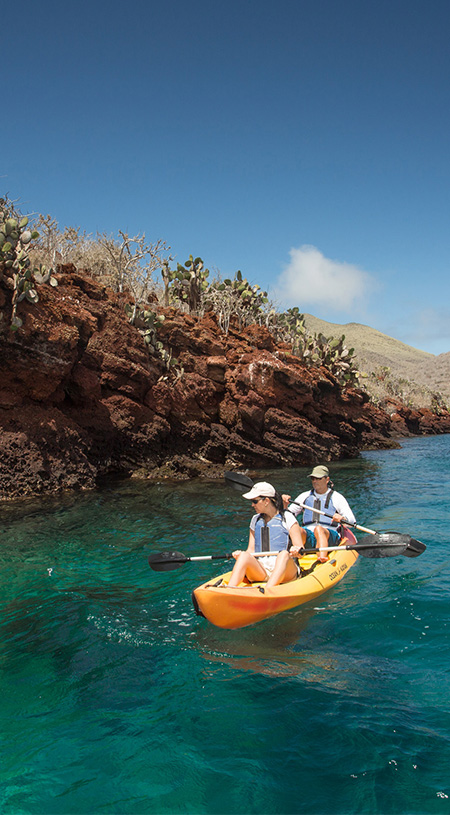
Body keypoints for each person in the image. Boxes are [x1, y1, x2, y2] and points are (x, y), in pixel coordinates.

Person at [226, 482, 308, 589]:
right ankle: (230, 590)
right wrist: (240, 555)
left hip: (286, 571)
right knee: (244, 555)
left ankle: (268, 590)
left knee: (283, 554)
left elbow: (301, 551)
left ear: (266, 501)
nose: (252, 505)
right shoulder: (255, 520)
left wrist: (297, 550)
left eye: (255, 501)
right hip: (262, 570)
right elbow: (250, 550)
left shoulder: (287, 518)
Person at [284, 465, 356, 563]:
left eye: (318, 478)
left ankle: (322, 559)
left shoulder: (337, 498)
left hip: (329, 534)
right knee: (298, 530)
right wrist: (284, 506)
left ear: (327, 479)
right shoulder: (304, 496)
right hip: (309, 535)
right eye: (313, 478)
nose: (315, 481)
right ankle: (297, 556)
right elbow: (287, 517)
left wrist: (342, 518)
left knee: (319, 530)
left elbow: (352, 521)